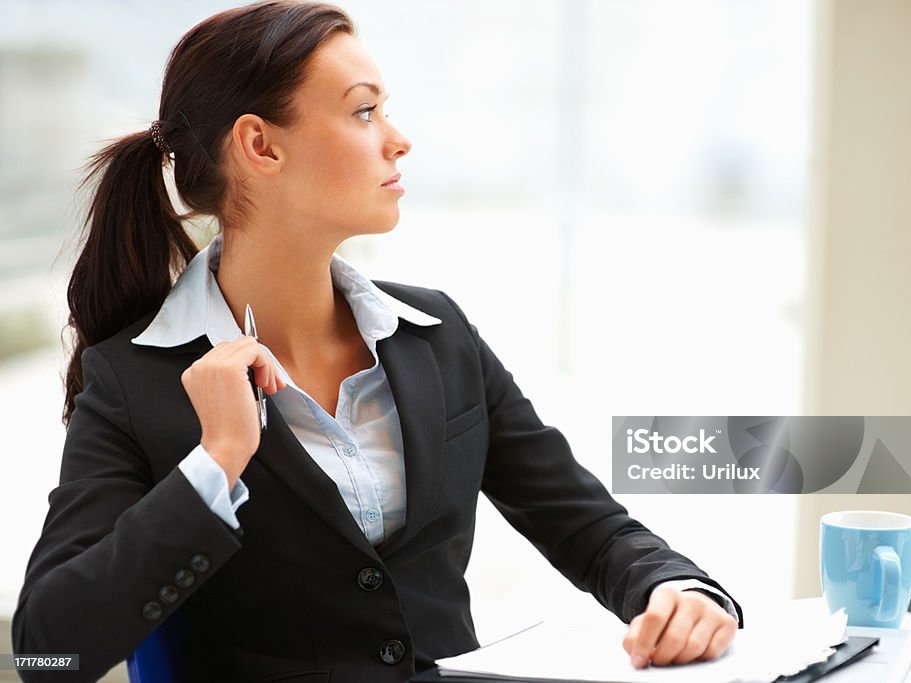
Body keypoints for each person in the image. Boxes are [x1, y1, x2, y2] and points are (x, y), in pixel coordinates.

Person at [12, 2, 743, 681]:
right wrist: (216, 461)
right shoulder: (134, 382)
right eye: (364, 111)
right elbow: (51, 648)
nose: (398, 138)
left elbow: (588, 525)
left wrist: (677, 589)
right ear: (260, 147)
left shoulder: (438, 334)